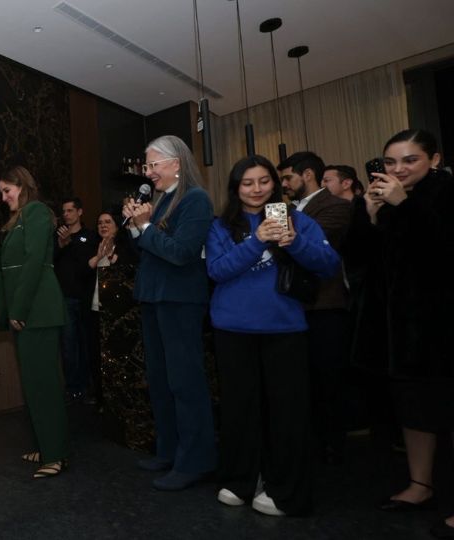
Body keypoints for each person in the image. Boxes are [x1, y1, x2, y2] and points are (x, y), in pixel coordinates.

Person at [206, 155, 340, 516]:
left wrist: (293, 242)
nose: (256, 189)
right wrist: (257, 240)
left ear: (275, 184)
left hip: (285, 329)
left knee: (288, 414)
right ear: (236, 188)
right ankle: (239, 479)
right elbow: (217, 270)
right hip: (233, 330)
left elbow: (329, 265)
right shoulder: (222, 225)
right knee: (238, 411)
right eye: (247, 183)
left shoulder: (299, 220)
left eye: (264, 181)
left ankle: (286, 491)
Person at [342, 129, 454, 538]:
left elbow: (440, 251)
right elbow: (355, 259)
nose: (398, 169)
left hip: (439, 324)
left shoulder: (443, 194)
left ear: (434, 160)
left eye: (410, 160)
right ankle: (420, 485)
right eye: (390, 162)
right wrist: (370, 217)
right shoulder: (378, 198)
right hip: (394, 328)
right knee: (413, 409)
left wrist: (402, 206)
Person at [121, 135, 216, 491]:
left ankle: (197, 461)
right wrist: (134, 227)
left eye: (153, 165)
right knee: (160, 380)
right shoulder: (161, 202)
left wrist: (144, 227)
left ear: (177, 163)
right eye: (147, 166)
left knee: (185, 382)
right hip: (154, 298)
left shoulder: (195, 200)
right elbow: (146, 253)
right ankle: (169, 450)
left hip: (180, 301)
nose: (148, 173)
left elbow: (180, 253)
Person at [0, 166, 68, 479]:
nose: (4, 198)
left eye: (7, 191)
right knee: (33, 385)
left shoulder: (37, 212)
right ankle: (47, 447)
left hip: (39, 312)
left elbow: (33, 263)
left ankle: (56, 454)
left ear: (22, 185)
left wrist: (16, 309)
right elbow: (11, 272)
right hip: (26, 311)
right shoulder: (18, 220)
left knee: (44, 384)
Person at [278, 152, 353, 464]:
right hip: (294, 305)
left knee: (328, 378)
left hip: (325, 303)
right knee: (302, 379)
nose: (283, 185)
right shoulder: (290, 209)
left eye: (287, 178)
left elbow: (314, 244)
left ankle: (333, 444)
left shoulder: (336, 206)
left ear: (306, 175)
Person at [89, 209, 152, 450]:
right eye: (100, 222)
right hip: (96, 309)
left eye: (108, 222)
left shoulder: (126, 247)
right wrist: (97, 257)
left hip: (119, 314)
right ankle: (103, 403)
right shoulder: (96, 246)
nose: (103, 226)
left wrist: (113, 257)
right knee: (96, 358)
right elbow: (85, 272)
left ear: (118, 225)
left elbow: (131, 271)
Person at [54, 197, 97, 402]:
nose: (66, 214)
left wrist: (71, 245)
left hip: (86, 298)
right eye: (64, 211)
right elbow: (50, 262)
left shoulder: (89, 236)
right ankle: (73, 389)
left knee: (86, 343)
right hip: (65, 297)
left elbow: (87, 265)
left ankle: (89, 387)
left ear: (80, 212)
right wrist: (61, 245)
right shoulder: (58, 236)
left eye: (70, 210)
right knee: (69, 346)